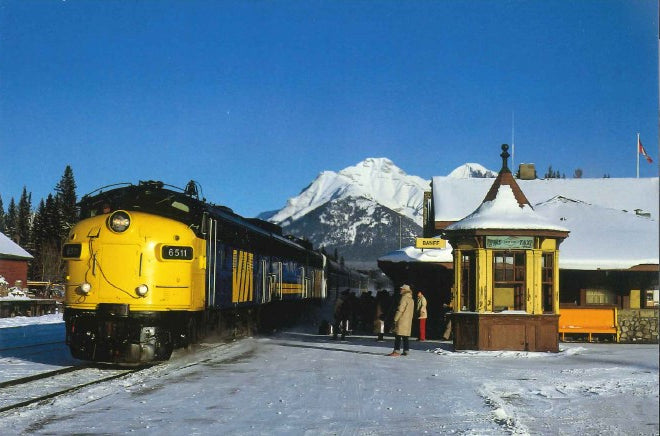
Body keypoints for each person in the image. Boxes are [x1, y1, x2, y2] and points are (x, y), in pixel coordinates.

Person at [388, 284, 414, 356]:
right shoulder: (411, 299)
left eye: (402, 289)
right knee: (405, 336)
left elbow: (400, 310)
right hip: (408, 321)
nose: (400, 290)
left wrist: (395, 319)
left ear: (405, 290)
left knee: (398, 336)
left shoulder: (404, 298)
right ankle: (406, 350)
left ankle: (396, 351)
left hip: (402, 320)